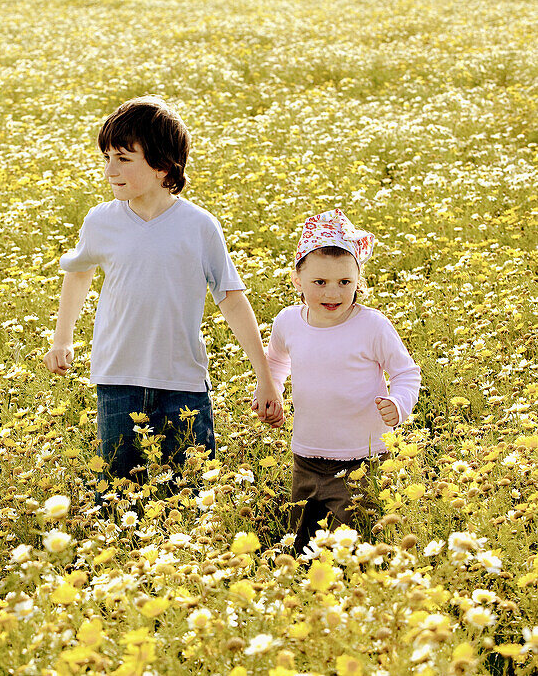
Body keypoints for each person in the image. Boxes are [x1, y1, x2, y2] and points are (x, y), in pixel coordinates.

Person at [44, 95, 283, 499]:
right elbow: (78, 271)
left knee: (193, 495)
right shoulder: (101, 220)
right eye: (106, 158)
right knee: (117, 496)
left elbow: (231, 298)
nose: (109, 171)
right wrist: (62, 338)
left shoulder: (199, 226)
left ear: (162, 165)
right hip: (117, 377)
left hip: (183, 381)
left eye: (123, 159)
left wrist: (265, 378)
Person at [256, 209, 421, 554]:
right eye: (320, 282)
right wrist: (269, 392)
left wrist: (398, 403)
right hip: (306, 454)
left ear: (358, 281)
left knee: (355, 544)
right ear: (297, 280)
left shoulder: (371, 326)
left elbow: (406, 372)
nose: (333, 292)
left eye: (345, 282)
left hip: (361, 458)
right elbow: (275, 361)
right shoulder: (288, 321)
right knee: (300, 543)